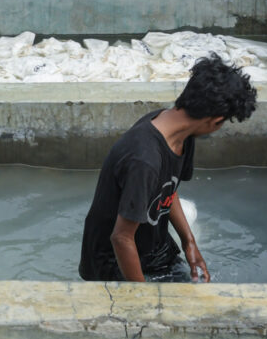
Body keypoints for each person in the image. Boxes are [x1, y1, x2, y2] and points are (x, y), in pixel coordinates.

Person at [79, 56, 257, 283]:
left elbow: (167, 190)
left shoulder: (179, 134)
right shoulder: (144, 159)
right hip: (112, 259)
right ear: (216, 121)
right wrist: (141, 298)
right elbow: (121, 238)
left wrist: (189, 243)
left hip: (153, 247)